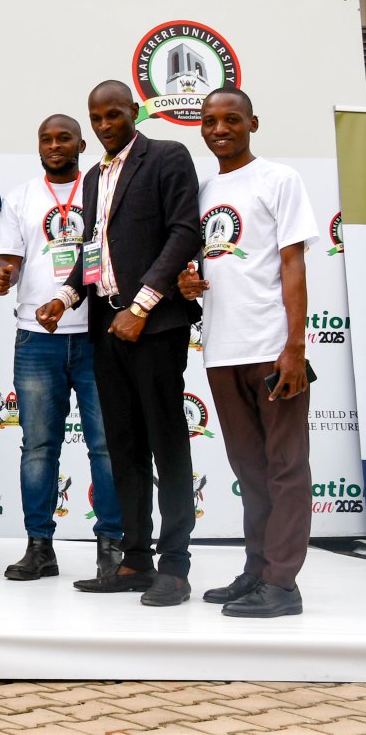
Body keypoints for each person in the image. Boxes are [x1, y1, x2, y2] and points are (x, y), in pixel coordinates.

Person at [37, 80, 201, 607]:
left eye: (114, 115)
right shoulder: (94, 175)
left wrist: (142, 305)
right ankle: (135, 560)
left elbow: (184, 233)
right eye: (97, 118)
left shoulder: (167, 156)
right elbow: (91, 250)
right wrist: (63, 298)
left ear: (134, 111)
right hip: (104, 327)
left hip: (152, 326)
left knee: (166, 443)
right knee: (123, 447)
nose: (105, 125)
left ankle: (175, 566)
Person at [177, 87, 316, 619]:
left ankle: (283, 583)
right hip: (221, 350)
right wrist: (190, 282)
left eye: (231, 119)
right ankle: (257, 569)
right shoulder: (206, 188)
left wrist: (295, 346)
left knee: (285, 466)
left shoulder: (279, 179)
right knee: (250, 468)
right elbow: (207, 265)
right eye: (210, 121)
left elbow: (292, 263)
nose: (219, 129)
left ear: (252, 123)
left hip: (271, 346)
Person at [0, 114, 122, 582]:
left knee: (105, 446)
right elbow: (7, 261)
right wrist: (1, 276)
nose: (54, 145)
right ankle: (39, 547)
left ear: (81, 143)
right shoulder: (21, 197)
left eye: (63, 137)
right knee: (39, 448)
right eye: (45, 139)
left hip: (96, 333)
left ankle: (112, 548)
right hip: (36, 338)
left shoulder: (101, 188)